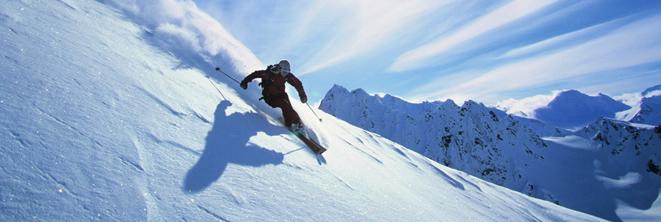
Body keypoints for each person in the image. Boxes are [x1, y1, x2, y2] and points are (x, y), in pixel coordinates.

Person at [240, 60, 308, 133]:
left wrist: (302, 95)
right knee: (285, 105)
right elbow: (255, 74)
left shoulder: (286, 76)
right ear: (279, 69)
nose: (285, 74)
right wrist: (245, 82)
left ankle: (294, 123)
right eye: (284, 72)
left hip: (281, 95)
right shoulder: (268, 74)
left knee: (288, 107)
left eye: (287, 72)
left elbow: (297, 83)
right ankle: (294, 123)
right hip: (270, 97)